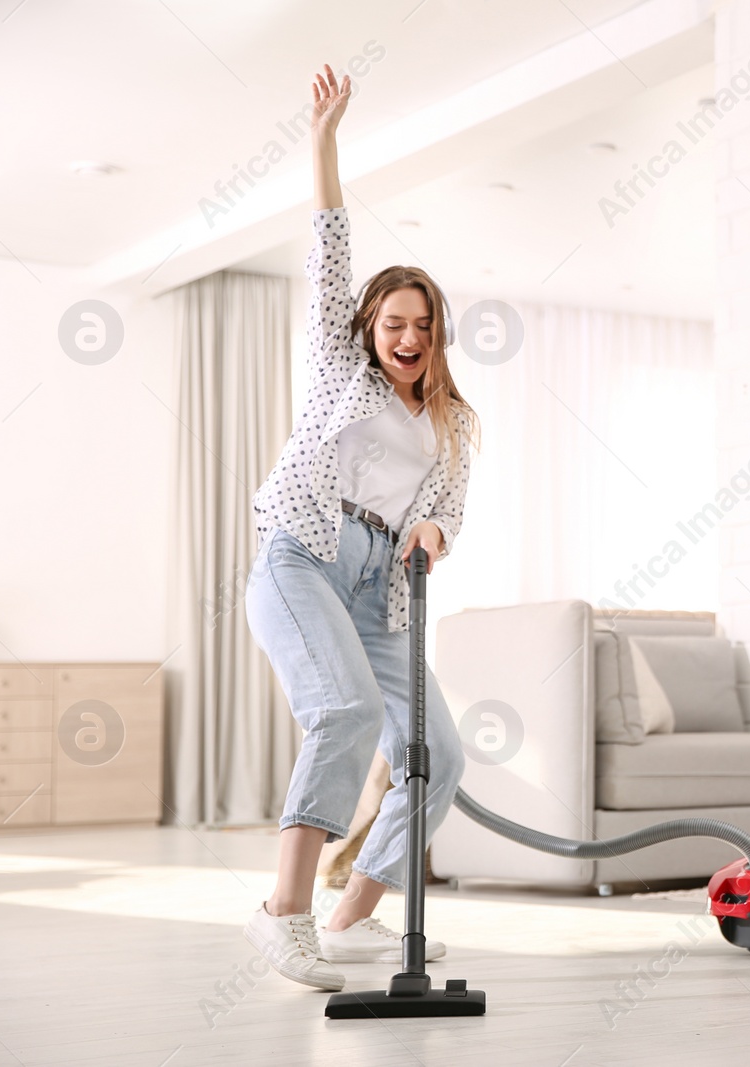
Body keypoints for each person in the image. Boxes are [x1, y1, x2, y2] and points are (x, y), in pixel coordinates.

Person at [241, 63, 476, 991]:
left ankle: (349, 920)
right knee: (345, 711)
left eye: (422, 323)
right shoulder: (341, 369)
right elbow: (330, 245)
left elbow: (448, 509)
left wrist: (433, 539)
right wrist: (324, 140)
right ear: (371, 328)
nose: (407, 335)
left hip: (383, 584)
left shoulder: (454, 420)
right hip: (304, 553)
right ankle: (283, 913)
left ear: (438, 333)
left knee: (438, 753)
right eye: (392, 321)